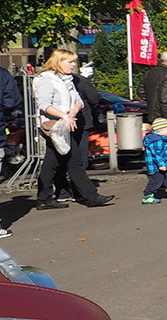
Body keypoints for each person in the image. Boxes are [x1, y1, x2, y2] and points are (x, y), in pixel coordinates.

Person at [33, 49, 113, 209]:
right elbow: (44, 105)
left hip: (65, 126)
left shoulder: (66, 80)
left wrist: (73, 112)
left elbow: (78, 100)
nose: (73, 65)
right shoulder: (46, 79)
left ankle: (44, 198)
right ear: (58, 61)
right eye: (70, 61)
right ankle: (90, 196)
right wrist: (64, 116)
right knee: (74, 161)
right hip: (55, 127)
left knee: (52, 162)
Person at [142, 49, 167, 146]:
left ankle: (157, 161)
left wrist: (151, 101)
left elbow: (141, 91)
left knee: (156, 144)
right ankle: (165, 162)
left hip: (152, 115)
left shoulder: (149, 73)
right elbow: (166, 99)